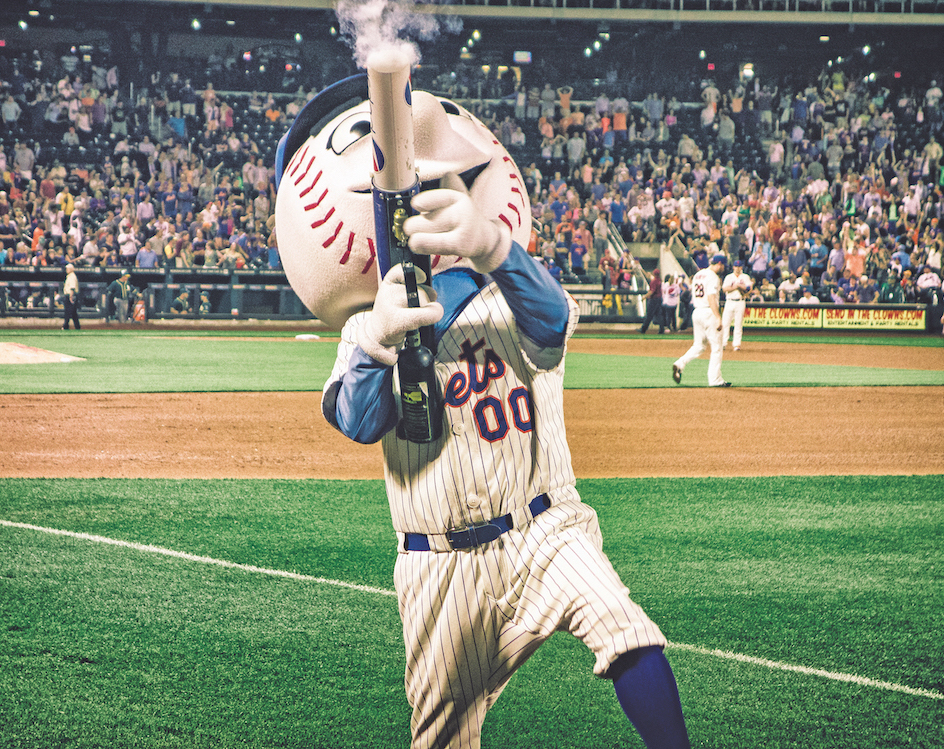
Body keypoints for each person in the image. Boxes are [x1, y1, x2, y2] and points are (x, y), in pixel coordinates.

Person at [273, 81, 691, 749]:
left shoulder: (516, 288)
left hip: (544, 528)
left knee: (624, 626)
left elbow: (552, 323)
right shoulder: (364, 329)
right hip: (439, 569)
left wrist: (491, 247)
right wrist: (378, 342)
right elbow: (359, 421)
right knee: (441, 739)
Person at [672, 253, 729, 387]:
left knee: (699, 345)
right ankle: (715, 380)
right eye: (723, 266)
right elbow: (710, 297)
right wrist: (718, 317)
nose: (724, 269)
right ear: (719, 264)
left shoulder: (698, 274)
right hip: (709, 312)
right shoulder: (713, 277)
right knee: (716, 348)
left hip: (697, 312)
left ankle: (679, 364)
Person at [720, 258, 753, 351]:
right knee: (725, 323)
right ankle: (723, 343)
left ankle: (737, 345)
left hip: (740, 301)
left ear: (741, 267)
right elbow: (724, 289)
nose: (738, 268)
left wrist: (739, 286)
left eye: (739, 266)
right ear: (733, 267)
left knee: (738, 324)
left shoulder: (745, 276)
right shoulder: (729, 277)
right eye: (736, 266)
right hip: (729, 301)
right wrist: (736, 286)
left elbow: (749, 288)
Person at [62, 264, 81, 330]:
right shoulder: (69, 276)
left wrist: (71, 297)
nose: (66, 270)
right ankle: (77, 327)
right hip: (70, 295)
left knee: (68, 311)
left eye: (67, 268)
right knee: (73, 313)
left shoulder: (72, 276)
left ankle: (65, 326)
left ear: (71, 269)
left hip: (71, 295)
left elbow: (72, 287)